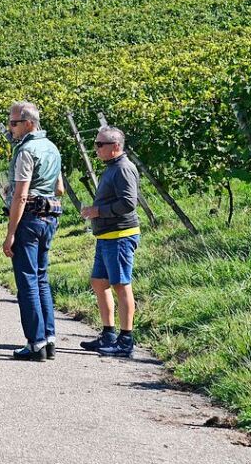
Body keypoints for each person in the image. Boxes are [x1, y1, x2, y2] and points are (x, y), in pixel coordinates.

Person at [2, 102, 65, 362]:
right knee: (41, 278)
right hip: (50, 215)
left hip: (29, 216)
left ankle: (35, 342)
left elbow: (21, 194)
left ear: (29, 123)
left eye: (14, 123)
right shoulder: (52, 147)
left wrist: (10, 232)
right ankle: (49, 339)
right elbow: (59, 188)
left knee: (26, 281)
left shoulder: (26, 150)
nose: (11, 128)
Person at [80, 125, 141, 358]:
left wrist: (98, 211)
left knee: (121, 285)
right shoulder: (112, 167)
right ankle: (108, 334)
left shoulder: (123, 168)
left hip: (120, 235)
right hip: (106, 236)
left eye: (100, 144)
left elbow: (128, 204)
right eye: (96, 144)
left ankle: (126, 339)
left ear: (116, 146)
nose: (96, 149)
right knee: (98, 282)